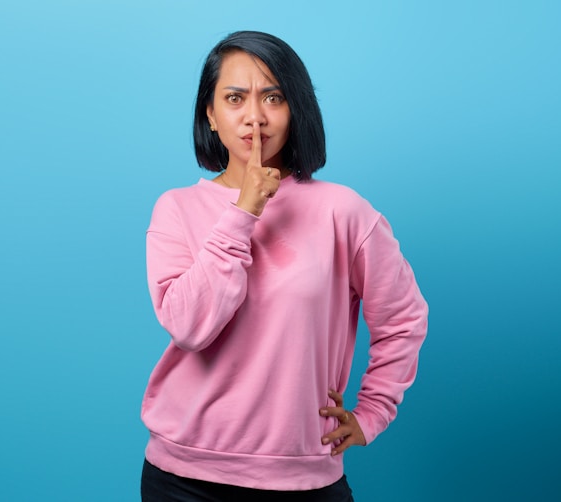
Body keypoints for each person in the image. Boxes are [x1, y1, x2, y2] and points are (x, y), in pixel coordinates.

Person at [140, 31, 428, 501]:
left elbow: (403, 319)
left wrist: (373, 411)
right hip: (182, 477)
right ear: (210, 114)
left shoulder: (344, 212)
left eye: (273, 98)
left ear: (296, 110)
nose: (254, 116)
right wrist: (244, 211)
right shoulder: (176, 209)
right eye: (235, 98)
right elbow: (190, 328)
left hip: (303, 477)